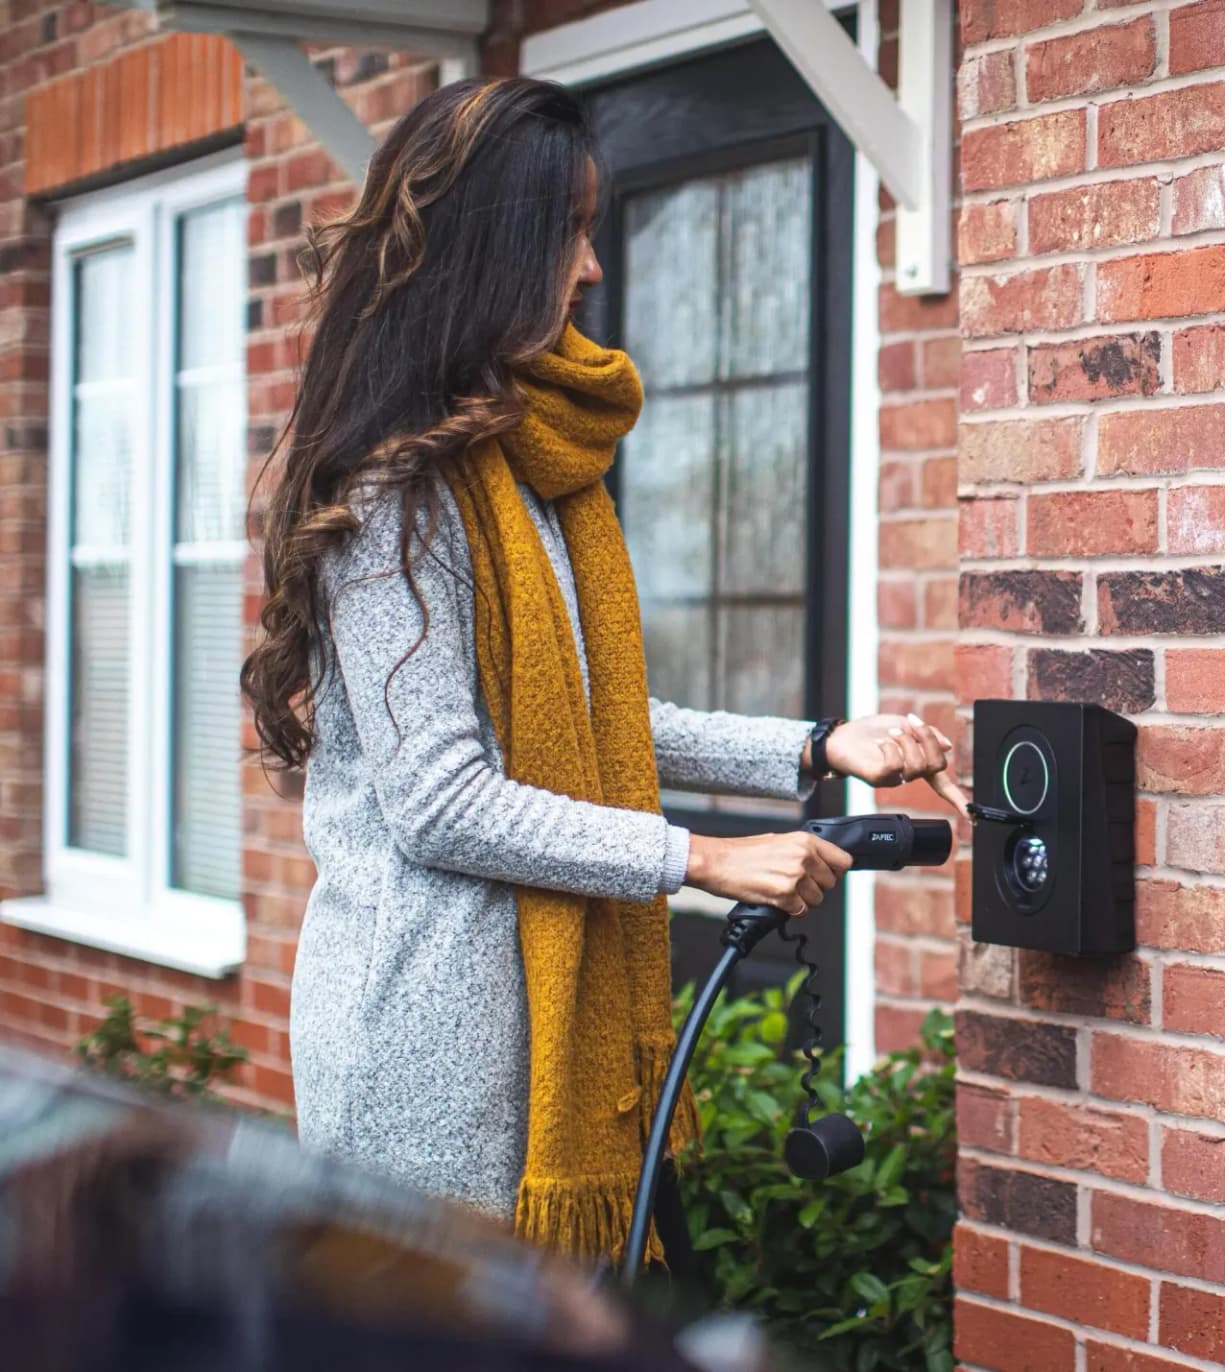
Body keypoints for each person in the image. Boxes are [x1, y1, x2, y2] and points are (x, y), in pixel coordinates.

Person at [240, 77, 966, 1272]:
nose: (591, 269)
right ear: (494, 247)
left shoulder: (532, 479)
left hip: (542, 1041)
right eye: (569, 232)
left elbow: (602, 721)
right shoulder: (398, 494)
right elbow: (442, 802)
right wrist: (706, 857)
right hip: (434, 1061)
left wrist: (817, 745)